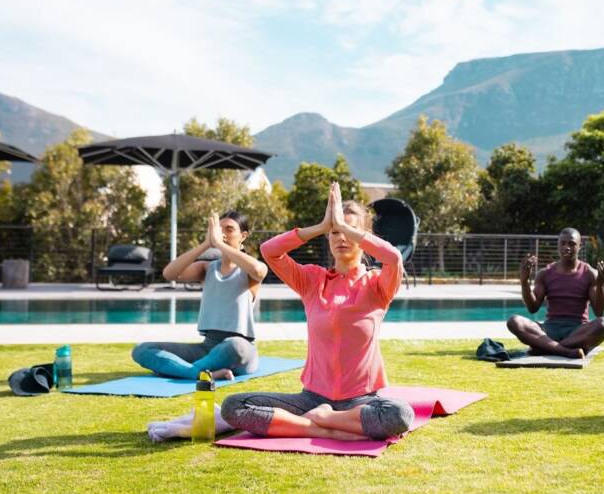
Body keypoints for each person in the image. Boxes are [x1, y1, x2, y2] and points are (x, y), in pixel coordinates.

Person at [221, 183, 414, 441]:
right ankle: (321, 428)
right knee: (234, 406)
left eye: (350, 231)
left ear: (364, 237)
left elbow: (394, 258)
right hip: (311, 399)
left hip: (361, 401)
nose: (342, 238)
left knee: (399, 414)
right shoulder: (312, 280)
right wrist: (321, 226)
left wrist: (344, 227)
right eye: (335, 232)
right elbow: (269, 251)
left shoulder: (377, 284)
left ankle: (326, 420)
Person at [131, 211, 266, 380]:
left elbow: (259, 270)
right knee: (142, 350)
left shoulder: (248, 270)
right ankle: (198, 373)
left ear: (243, 236)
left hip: (239, 350)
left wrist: (219, 244)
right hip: (207, 348)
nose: (223, 234)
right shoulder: (206, 268)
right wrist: (206, 244)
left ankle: (178, 370)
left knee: (235, 346)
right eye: (219, 230)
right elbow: (169, 273)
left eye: (229, 229)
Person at [505, 228, 604, 359]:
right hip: (549, 330)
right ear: (558, 245)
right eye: (563, 243)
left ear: (580, 246)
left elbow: (599, 312)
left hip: (577, 331)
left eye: (572, 244)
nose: (567, 247)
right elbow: (532, 308)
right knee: (514, 321)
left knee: (603, 325)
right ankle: (565, 351)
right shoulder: (545, 274)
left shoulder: (590, 273)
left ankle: (546, 347)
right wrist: (524, 282)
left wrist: (600, 284)